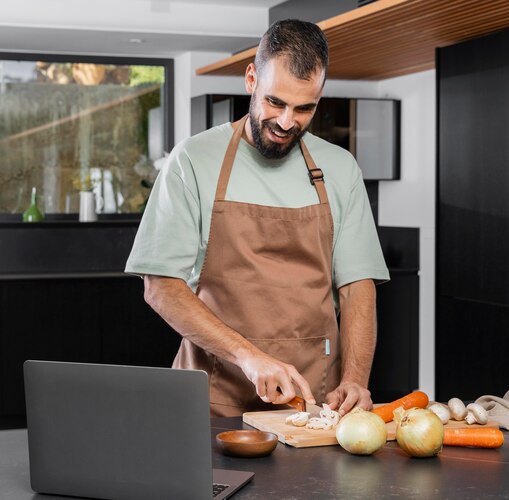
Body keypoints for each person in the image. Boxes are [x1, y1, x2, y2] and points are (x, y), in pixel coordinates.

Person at [125, 19, 389, 417]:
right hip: (212, 397)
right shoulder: (193, 160)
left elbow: (357, 288)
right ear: (251, 79)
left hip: (313, 404)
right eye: (275, 102)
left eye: (305, 108)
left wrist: (355, 379)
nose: (286, 123)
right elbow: (160, 287)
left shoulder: (340, 168)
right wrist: (249, 357)